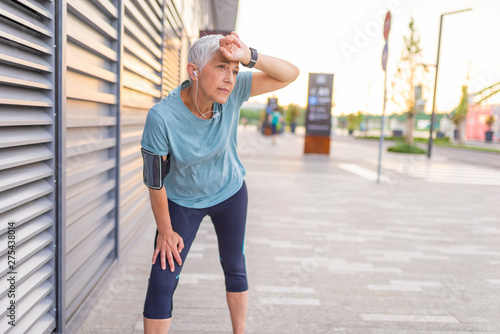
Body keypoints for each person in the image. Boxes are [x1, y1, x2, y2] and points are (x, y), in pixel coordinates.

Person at [140, 31, 299, 334]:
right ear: (194, 71)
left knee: (235, 266)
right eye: (221, 67)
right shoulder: (161, 118)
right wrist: (166, 231)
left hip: (229, 193)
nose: (230, 78)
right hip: (182, 201)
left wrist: (248, 55)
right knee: (162, 279)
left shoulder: (234, 92)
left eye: (235, 70)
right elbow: (154, 182)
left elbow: (290, 74)